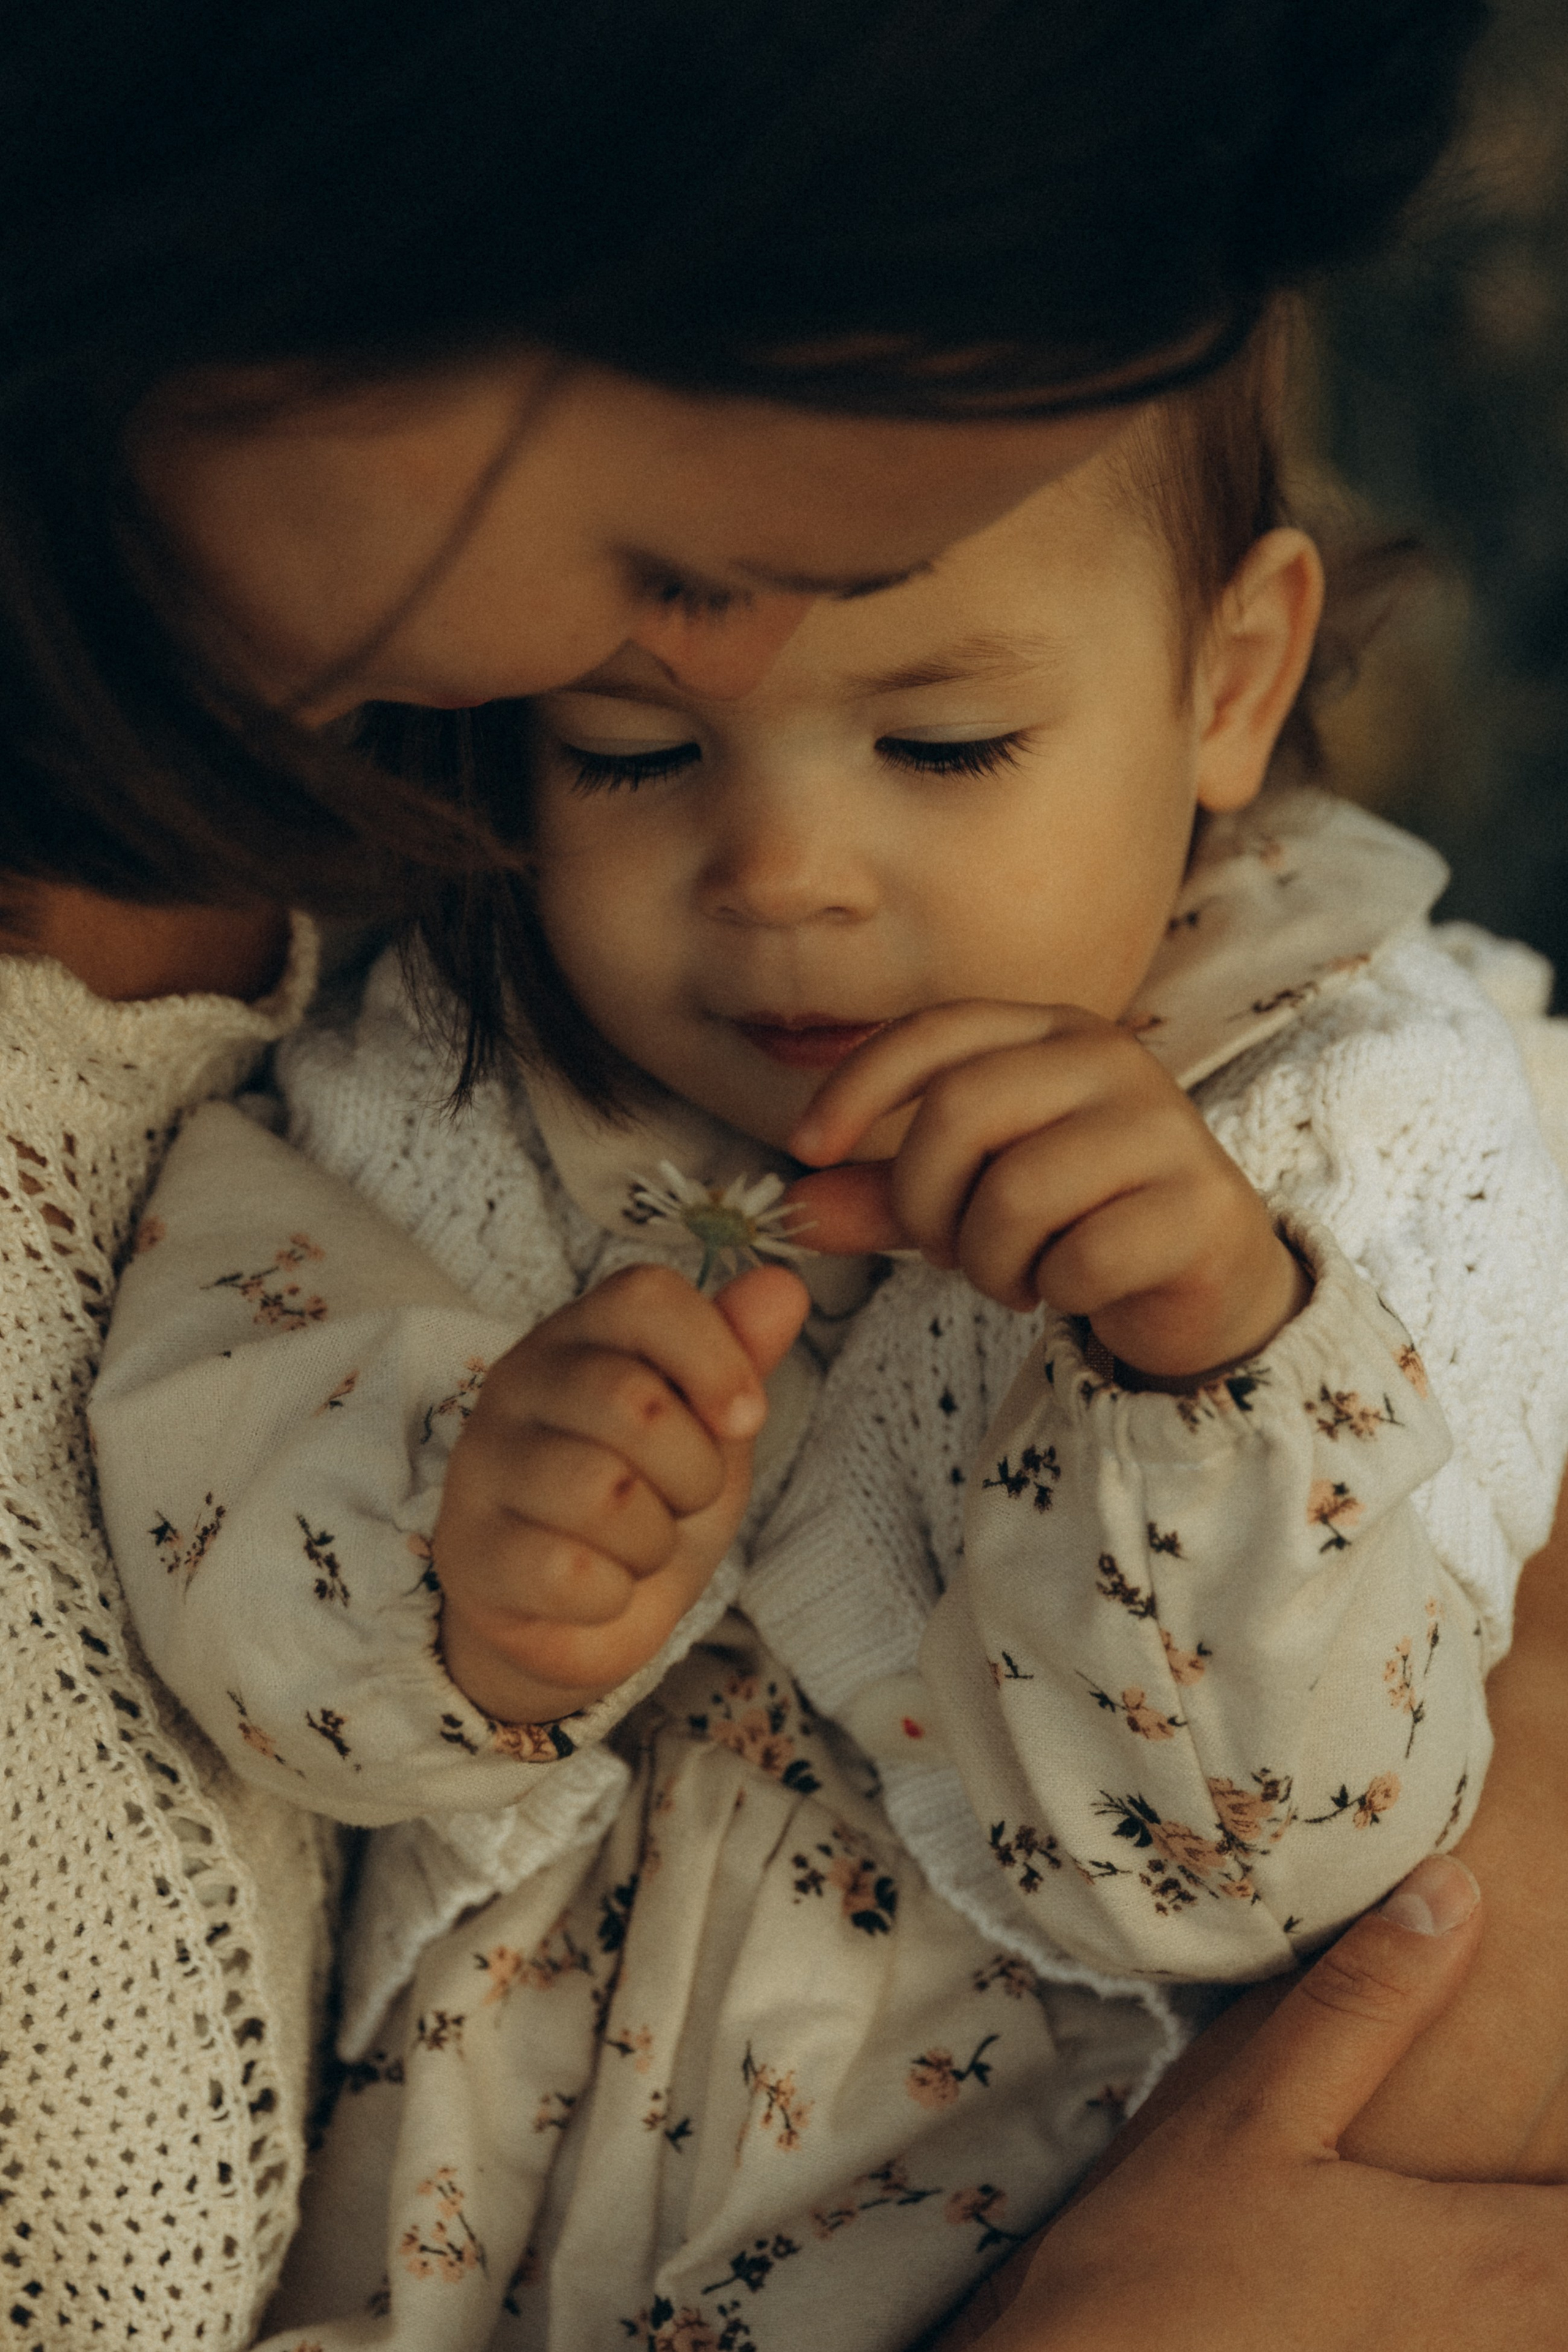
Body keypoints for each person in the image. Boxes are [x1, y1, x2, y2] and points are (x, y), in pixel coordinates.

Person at [2, 1, 1566, 2345]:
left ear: (1233, 688)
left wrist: (1215, 1377)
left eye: (944, 741)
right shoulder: (438, 1053)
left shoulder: (1358, 1114)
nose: (787, 876)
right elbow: (211, 1487)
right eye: (633, 748)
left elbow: (1295, 1844)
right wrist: (457, 1542)